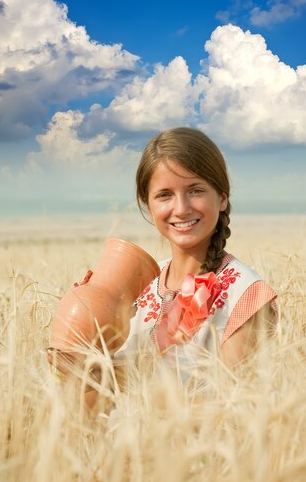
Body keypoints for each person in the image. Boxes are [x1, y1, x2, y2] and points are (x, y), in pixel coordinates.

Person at [111, 127, 277, 384]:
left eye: (195, 190)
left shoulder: (245, 295)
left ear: (222, 198)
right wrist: (84, 361)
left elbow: (230, 407)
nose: (181, 208)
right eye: (164, 195)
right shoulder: (138, 287)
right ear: (147, 203)